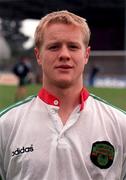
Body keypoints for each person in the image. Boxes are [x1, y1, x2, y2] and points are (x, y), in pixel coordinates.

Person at [0, 10, 126, 180]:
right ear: (38, 55)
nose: (64, 55)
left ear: (86, 55)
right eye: (54, 47)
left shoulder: (120, 125)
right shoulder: (5, 125)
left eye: (73, 47)